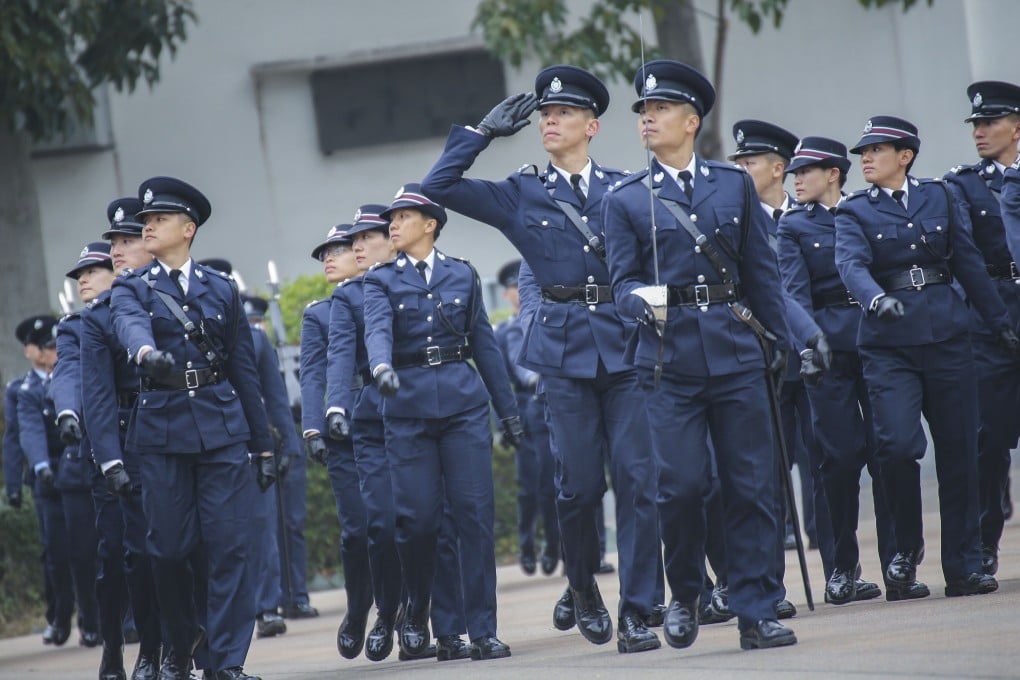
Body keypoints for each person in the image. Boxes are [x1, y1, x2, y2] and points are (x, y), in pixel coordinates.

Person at [422, 65, 663, 654]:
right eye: (544, 114)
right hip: (562, 354)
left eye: (562, 113)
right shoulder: (522, 190)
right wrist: (480, 133)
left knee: (637, 482)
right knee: (578, 489)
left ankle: (637, 609)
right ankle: (582, 586)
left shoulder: (629, 187)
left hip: (626, 345)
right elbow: (438, 189)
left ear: (592, 125)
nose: (549, 120)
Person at [603, 59, 796, 651]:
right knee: (682, 487)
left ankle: (757, 607)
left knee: (752, 485)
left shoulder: (732, 184)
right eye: (642, 111)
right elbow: (620, 283)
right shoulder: (627, 200)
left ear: (691, 121)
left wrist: (782, 342)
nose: (647, 119)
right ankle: (686, 592)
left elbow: (761, 274)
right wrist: (639, 299)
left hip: (737, 352)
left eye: (658, 110)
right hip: (668, 361)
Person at [834, 116, 1017, 602]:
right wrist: (875, 300)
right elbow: (850, 266)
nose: (866, 159)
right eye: (862, 152)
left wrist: (999, 324)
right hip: (889, 344)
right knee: (895, 447)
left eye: (876, 150)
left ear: (906, 156)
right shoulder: (854, 212)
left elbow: (968, 264)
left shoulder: (940, 195)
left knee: (960, 451)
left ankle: (962, 564)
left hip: (949, 338)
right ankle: (905, 551)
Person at [110, 176, 275, 680]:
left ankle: (226, 662)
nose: (148, 227)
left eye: (158, 220)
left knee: (230, 548)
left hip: (222, 428)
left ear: (189, 228)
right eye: (145, 222)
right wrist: (145, 353)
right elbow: (129, 324)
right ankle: (183, 644)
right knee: (168, 550)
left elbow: (244, 370)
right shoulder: (132, 288)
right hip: (161, 433)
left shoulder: (221, 289)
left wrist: (262, 445)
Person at [361, 185, 520, 661]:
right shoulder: (380, 280)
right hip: (406, 407)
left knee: (473, 518)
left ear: (430, 224)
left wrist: (508, 412)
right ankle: (435, 620)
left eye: (404, 216)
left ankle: (481, 629)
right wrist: (381, 368)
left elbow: (485, 347)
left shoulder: (462, 274)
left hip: (462, 405)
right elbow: (376, 331)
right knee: (420, 523)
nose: (393, 224)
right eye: (391, 218)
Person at [326, 205, 475, 663]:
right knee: (385, 523)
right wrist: (330, 409)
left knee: (434, 523)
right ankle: (380, 610)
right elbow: (331, 360)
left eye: (367, 238)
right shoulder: (346, 299)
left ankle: (423, 613)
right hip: (372, 420)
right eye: (354, 241)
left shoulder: (424, 281)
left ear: (392, 242)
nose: (357, 246)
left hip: (417, 413)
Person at [776, 137, 894, 604]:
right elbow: (794, 295)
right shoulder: (792, 227)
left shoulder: (866, 211)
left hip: (879, 343)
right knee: (839, 460)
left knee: (889, 453)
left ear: (833, 174)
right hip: (827, 350)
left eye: (807, 172)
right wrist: (807, 345)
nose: (797, 181)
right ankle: (841, 569)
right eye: (793, 174)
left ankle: (897, 563)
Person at [729, 120, 831, 612]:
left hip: (810, 361)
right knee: (763, 480)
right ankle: (770, 589)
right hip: (759, 362)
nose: (740, 170)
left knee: (825, 466)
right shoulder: (729, 217)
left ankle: (839, 573)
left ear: (778, 168)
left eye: (749, 162)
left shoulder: (810, 217)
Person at [81, 198, 165, 680]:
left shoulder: (175, 297)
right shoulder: (94, 320)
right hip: (119, 439)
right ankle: (118, 645)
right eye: (113, 241)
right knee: (119, 557)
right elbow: (93, 392)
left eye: (128, 239)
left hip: (169, 435)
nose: (118, 248)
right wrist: (107, 457)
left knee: (174, 549)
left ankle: (175, 643)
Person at [943, 81, 1020, 577]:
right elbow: (961, 254)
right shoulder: (962, 184)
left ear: (1017, 126)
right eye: (976, 124)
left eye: (990, 123)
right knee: (987, 436)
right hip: (991, 314)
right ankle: (983, 544)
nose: (980, 132)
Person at [300, 223, 374, 658]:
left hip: (387, 417)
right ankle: (359, 608)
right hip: (342, 430)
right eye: (323, 253)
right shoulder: (319, 313)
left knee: (400, 521)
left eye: (338, 249)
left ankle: (401, 609)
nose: (328, 257)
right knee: (357, 530)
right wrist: (313, 426)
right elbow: (312, 373)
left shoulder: (389, 292)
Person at [493, 259, 559, 577]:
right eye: (512, 289)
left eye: (521, 287)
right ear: (506, 295)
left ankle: (554, 547)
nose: (517, 294)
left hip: (547, 406)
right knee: (526, 488)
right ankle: (526, 544)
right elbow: (498, 382)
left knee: (550, 484)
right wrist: (502, 423)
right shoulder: (502, 331)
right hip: (522, 410)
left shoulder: (545, 319)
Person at [237, 289, 297, 640]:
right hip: (210, 445)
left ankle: (267, 607)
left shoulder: (257, 340)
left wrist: (288, 443)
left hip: (254, 444)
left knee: (263, 529)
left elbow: (275, 395)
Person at [13, 314, 67, 646]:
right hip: (46, 476)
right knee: (55, 553)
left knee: (91, 550)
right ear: (31, 352)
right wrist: (20, 479)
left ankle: (93, 620)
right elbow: (24, 434)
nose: (52, 352)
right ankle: (60, 617)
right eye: (46, 346)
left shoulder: (70, 376)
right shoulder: (23, 389)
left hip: (77, 470)